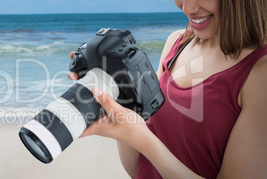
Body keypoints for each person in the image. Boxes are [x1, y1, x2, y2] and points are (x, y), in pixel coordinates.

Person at [67, 0, 267, 178]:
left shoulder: (260, 72)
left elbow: (144, 141)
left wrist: (141, 137)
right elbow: (139, 170)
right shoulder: (177, 43)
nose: (187, 7)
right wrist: (117, 97)